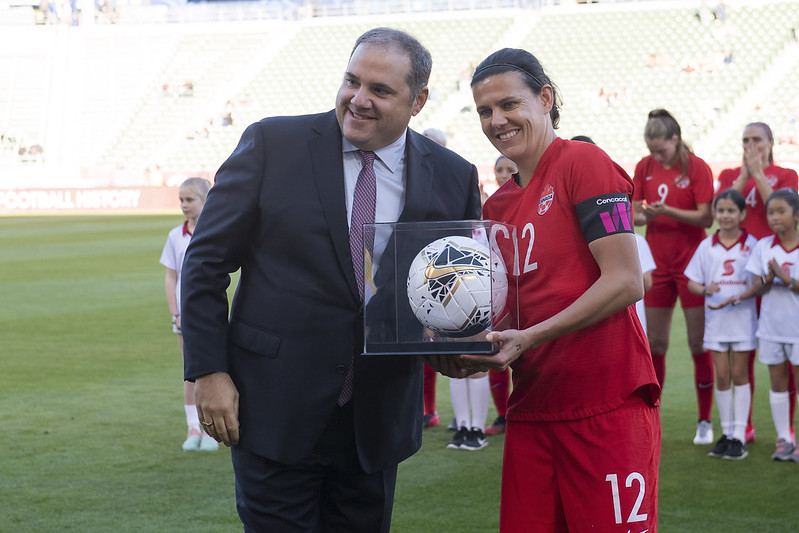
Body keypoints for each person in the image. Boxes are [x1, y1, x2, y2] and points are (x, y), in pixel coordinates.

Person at [179, 27, 481, 532]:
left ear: (418, 100)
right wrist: (209, 371)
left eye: (380, 91)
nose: (358, 100)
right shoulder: (272, 143)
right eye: (351, 81)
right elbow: (206, 263)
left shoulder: (453, 175)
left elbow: (448, 292)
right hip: (273, 408)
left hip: (376, 423)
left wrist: (455, 347)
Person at [464, 48, 660, 532]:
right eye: (485, 111)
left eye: (509, 104)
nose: (496, 121)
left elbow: (624, 280)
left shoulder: (583, 162)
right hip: (531, 410)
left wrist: (529, 337)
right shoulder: (497, 210)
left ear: (545, 97)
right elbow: (502, 312)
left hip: (607, 406)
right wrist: (462, 345)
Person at [632, 108, 715, 445]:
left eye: (660, 150)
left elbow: (705, 217)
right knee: (656, 344)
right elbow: (634, 215)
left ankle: (705, 420)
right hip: (658, 263)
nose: (655, 156)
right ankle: (653, 414)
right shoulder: (644, 167)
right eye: (651, 149)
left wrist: (666, 210)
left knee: (698, 343)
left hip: (693, 262)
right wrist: (645, 211)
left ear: (675, 140)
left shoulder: (696, 167)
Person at [716, 122, 799, 443]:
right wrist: (743, 175)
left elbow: (778, 207)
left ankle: (786, 431)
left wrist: (759, 174)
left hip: (775, 265)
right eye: (745, 139)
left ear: (771, 142)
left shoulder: (787, 175)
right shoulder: (728, 176)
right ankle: (743, 426)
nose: (750, 145)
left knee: (784, 347)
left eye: (757, 139)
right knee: (743, 349)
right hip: (739, 269)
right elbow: (726, 204)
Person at [684, 189, 758, 460]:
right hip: (716, 321)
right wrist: (705, 289)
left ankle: (739, 434)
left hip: (742, 320)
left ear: (742, 214)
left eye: (731, 211)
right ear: (714, 213)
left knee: (740, 375)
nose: (725, 216)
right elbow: (691, 281)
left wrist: (742, 295)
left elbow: (760, 283)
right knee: (723, 376)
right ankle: (726, 433)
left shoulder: (753, 244)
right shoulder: (707, 246)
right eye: (721, 210)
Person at [158, 177, 216, 452]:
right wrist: (175, 314)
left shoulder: (217, 231)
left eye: (190, 200)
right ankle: (193, 426)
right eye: (181, 200)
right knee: (190, 372)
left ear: (206, 201)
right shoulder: (175, 236)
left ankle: (212, 430)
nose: (184, 205)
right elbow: (171, 278)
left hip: (212, 315)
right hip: (184, 318)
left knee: (214, 369)